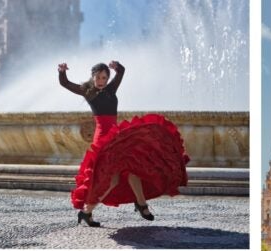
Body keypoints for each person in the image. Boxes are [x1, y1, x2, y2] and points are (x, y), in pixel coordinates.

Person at [58, 60, 189, 226]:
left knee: (133, 167)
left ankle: (141, 204)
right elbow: (65, 83)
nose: (100, 81)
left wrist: (117, 67)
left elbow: (122, 72)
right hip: (103, 138)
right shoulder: (87, 91)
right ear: (92, 77)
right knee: (110, 179)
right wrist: (62, 72)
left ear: (107, 78)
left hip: (117, 136)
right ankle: (86, 212)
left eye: (104, 77)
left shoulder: (111, 88)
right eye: (98, 77)